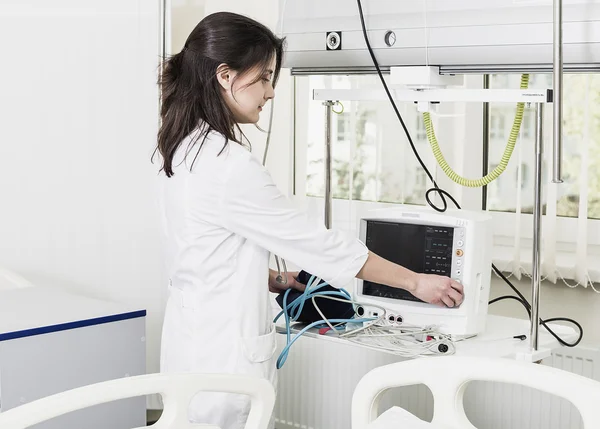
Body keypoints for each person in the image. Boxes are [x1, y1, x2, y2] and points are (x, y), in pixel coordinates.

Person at [155, 11, 463, 429]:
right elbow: (320, 246)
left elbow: (202, 246)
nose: (270, 91)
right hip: (223, 363)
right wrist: (415, 281)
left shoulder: (182, 146)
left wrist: (268, 277)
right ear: (225, 76)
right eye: (263, 77)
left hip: (189, 346)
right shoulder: (229, 166)